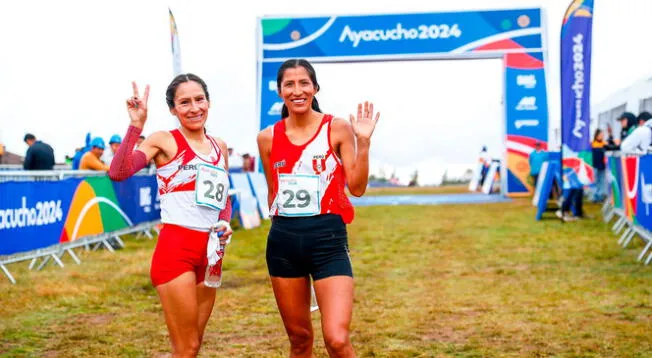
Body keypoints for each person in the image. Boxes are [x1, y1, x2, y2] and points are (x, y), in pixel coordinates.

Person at [257, 59, 379, 357]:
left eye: (303, 83)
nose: (297, 90)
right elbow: (274, 193)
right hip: (284, 245)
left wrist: (363, 143)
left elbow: (358, 188)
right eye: (289, 84)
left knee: (337, 339)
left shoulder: (337, 128)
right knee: (299, 340)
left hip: (328, 243)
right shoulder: (267, 138)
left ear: (315, 88)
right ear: (279, 91)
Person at [108, 74, 233, 357]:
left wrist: (224, 221)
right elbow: (118, 172)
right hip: (176, 250)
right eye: (184, 102)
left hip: (211, 253)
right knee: (186, 347)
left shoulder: (219, 147)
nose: (194, 108)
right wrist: (135, 125)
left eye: (199, 99)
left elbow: (223, 198)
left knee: (191, 346)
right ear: (173, 109)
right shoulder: (163, 140)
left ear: (208, 102)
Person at [591, 129, 607, 202]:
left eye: (602, 135)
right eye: (601, 134)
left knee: (601, 181)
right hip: (594, 165)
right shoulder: (592, 144)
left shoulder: (604, 144)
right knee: (595, 181)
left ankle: (600, 196)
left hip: (602, 165)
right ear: (597, 135)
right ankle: (595, 196)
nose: (602, 136)